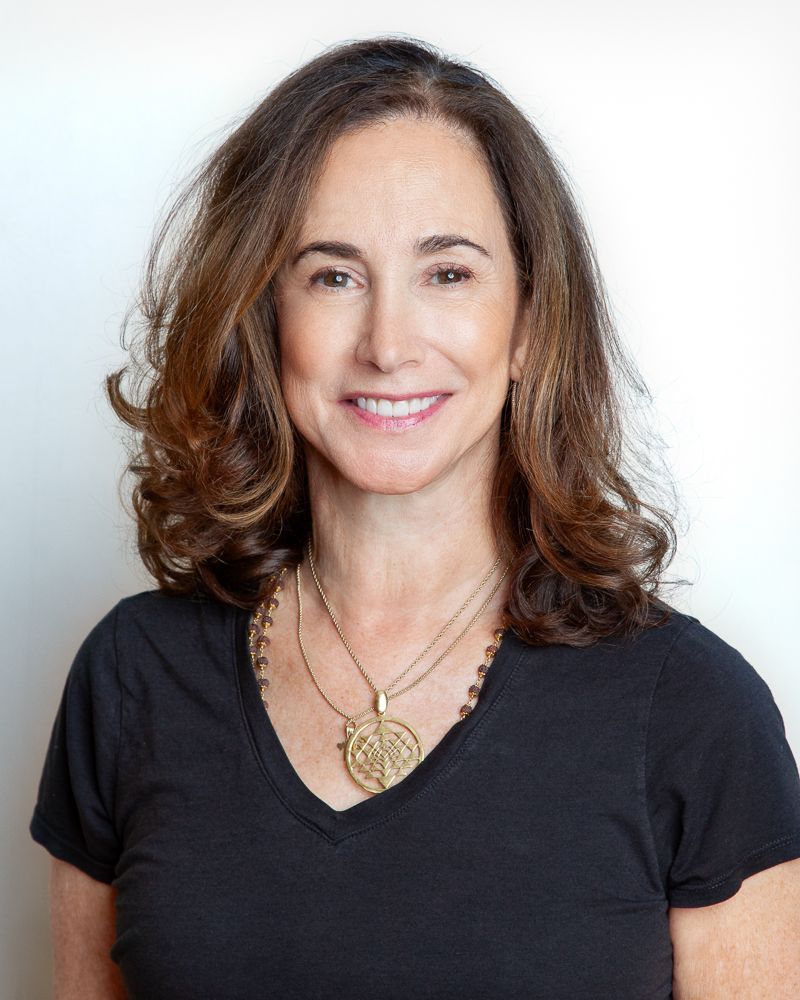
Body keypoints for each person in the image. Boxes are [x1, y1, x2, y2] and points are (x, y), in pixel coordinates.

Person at [30, 34, 800, 1000]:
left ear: (528, 324)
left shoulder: (692, 712)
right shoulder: (131, 677)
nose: (388, 345)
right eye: (332, 275)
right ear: (265, 321)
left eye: (447, 273)